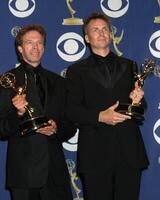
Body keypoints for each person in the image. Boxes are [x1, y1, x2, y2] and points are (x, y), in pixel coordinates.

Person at [66, 12, 149, 200]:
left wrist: (138, 100)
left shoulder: (130, 66)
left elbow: (140, 107)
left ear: (111, 35)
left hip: (129, 152)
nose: (101, 33)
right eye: (95, 30)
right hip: (95, 153)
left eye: (105, 29)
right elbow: (71, 111)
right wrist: (100, 116)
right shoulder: (76, 71)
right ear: (87, 38)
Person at [0, 24, 75, 200]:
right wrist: (17, 114)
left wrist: (56, 128)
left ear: (44, 47)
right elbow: (1, 128)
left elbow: (71, 126)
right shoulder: (7, 81)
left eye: (39, 43)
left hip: (55, 173)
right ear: (20, 48)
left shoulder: (59, 82)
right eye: (29, 43)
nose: (35, 47)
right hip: (24, 175)